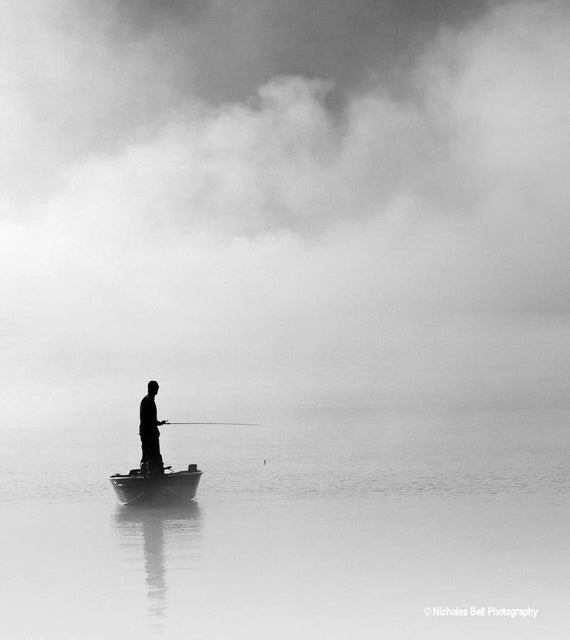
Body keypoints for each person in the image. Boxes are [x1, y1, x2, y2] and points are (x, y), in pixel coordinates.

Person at [139, 380, 167, 475]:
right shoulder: (148, 401)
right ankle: (150, 474)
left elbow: (150, 420)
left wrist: (159, 423)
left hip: (150, 433)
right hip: (148, 434)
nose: (157, 390)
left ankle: (154, 472)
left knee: (152, 455)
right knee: (149, 455)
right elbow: (148, 420)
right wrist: (158, 423)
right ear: (152, 389)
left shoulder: (149, 400)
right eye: (156, 388)